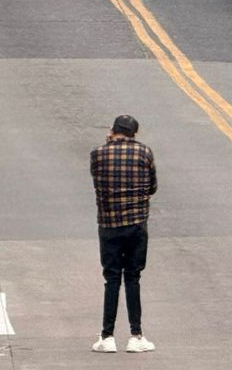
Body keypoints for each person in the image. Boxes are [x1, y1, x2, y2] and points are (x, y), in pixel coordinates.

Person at [90, 114, 157, 354]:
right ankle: (136, 335)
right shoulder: (144, 152)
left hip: (109, 225)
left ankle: (107, 336)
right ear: (133, 134)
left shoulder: (98, 154)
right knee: (132, 278)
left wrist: (108, 144)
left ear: (113, 130)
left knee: (111, 279)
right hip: (136, 225)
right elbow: (152, 187)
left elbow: (97, 182)